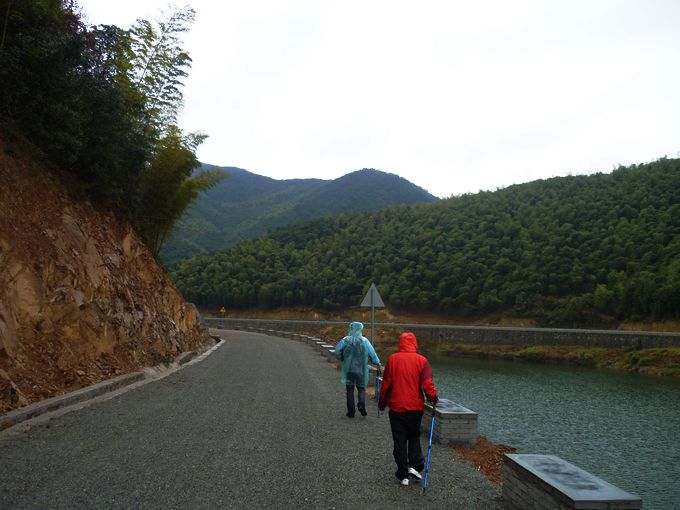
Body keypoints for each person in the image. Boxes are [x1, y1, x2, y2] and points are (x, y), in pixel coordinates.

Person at [378, 331, 438, 486]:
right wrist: (433, 399)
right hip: (415, 408)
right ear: (415, 343)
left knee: (399, 440)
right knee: (413, 436)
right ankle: (415, 466)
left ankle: (403, 473)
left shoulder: (393, 359)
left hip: (397, 408)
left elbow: (386, 385)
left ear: (401, 343)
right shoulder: (422, 361)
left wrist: (382, 404)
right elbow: (427, 384)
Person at [335, 321, 381, 418]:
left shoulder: (345, 340)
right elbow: (372, 353)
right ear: (360, 329)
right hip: (361, 369)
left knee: (350, 389)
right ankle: (361, 405)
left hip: (348, 369)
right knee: (361, 388)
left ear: (351, 328)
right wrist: (376, 362)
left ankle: (351, 411)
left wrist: (342, 358)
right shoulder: (364, 340)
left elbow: (337, 351)